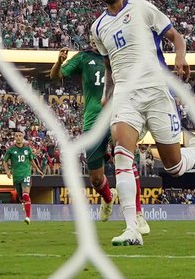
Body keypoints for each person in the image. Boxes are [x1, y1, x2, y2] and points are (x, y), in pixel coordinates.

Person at [90, 0, 195, 247]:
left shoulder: (143, 9)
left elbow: (175, 37)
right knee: (122, 156)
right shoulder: (97, 28)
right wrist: (108, 93)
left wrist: (180, 57)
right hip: (125, 96)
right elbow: (109, 65)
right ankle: (132, 228)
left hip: (157, 91)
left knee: (174, 167)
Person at [51, 46, 147, 236]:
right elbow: (56, 75)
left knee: (126, 158)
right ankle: (108, 197)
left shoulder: (118, 53)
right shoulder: (84, 57)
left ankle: (138, 213)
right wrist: (59, 61)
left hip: (118, 113)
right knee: (95, 178)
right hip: (93, 119)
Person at [2, 132, 39, 224]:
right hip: (16, 176)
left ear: (23, 137)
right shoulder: (11, 150)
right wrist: (7, 171)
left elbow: (31, 160)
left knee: (26, 194)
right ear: (14, 137)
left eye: (20, 136)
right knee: (21, 197)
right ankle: (23, 202)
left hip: (26, 174)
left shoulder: (27, 149)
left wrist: (37, 169)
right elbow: (5, 161)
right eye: (16, 136)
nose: (18, 138)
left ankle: (28, 217)